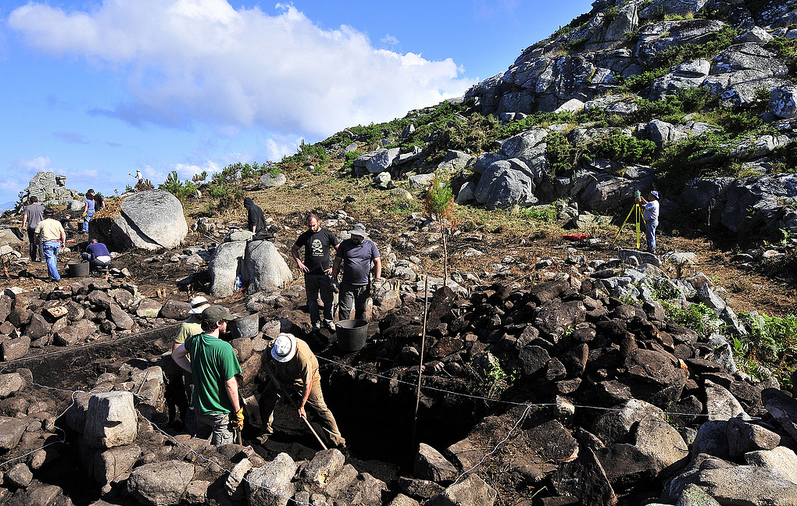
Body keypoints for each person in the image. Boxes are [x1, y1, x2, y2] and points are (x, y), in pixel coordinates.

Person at [172, 305, 243, 446]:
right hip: (220, 411)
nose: (226, 323)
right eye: (224, 321)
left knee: (200, 446)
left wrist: (194, 369)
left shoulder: (195, 341)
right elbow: (230, 384)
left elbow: (176, 355)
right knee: (223, 454)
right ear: (218, 323)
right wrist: (237, 410)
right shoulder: (224, 348)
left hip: (201, 409)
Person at [258, 333, 345, 448]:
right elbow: (265, 362)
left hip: (306, 380)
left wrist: (302, 406)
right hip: (281, 377)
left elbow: (307, 384)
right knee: (266, 400)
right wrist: (274, 380)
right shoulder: (274, 346)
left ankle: (337, 441)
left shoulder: (302, 357)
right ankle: (266, 430)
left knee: (320, 409)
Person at [167, 296, 210, 433]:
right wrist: (190, 368)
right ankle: (192, 431)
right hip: (194, 369)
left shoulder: (209, 321)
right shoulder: (187, 326)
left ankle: (206, 427)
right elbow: (176, 350)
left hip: (208, 366)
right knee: (193, 402)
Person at [291, 213, 339, 332]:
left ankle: (328, 321)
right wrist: (299, 262)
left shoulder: (328, 234)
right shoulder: (305, 236)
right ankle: (315, 323)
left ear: (318, 222)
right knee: (312, 300)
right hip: (310, 274)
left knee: (328, 300)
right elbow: (294, 249)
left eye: (313, 225)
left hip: (325, 274)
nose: (311, 228)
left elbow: (340, 250)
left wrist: (334, 267)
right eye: (309, 226)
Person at [332, 223, 381, 321]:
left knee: (361, 310)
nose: (355, 237)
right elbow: (337, 261)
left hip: (363, 284)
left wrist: (377, 279)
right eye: (353, 235)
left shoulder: (370, 245)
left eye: (358, 235)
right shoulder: (345, 245)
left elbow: (377, 261)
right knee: (344, 310)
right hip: (347, 284)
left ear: (363, 235)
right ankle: (344, 333)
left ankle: (359, 334)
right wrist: (334, 279)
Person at [34, 209, 66, 282]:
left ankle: (56, 276)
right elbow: (63, 233)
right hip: (57, 242)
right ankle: (51, 276)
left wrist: (36, 241)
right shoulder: (57, 223)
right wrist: (63, 242)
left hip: (47, 242)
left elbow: (36, 234)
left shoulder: (41, 223)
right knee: (53, 259)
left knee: (50, 260)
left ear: (44, 215)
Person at [22, 196, 45, 262]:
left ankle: (33, 258)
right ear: (37, 201)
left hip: (31, 227)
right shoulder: (42, 208)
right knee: (41, 242)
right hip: (40, 227)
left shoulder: (27, 208)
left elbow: (25, 217)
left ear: (30, 201)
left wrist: (23, 225)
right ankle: (42, 258)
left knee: (32, 242)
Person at [638, 190, 660, 254]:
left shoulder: (653, 203)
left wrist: (639, 201)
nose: (648, 196)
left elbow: (642, 207)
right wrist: (643, 200)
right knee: (650, 235)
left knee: (650, 236)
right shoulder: (655, 202)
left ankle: (651, 250)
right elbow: (648, 204)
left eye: (650, 195)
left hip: (651, 221)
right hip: (652, 221)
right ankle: (650, 249)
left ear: (653, 197)